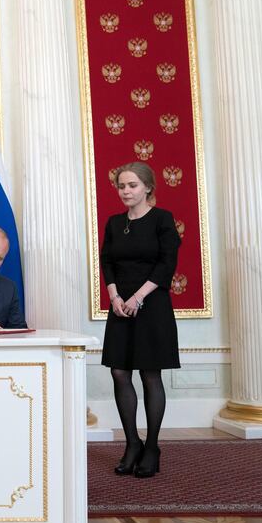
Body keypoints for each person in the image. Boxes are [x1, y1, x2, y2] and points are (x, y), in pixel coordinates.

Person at [101, 161, 180, 478]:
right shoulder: (114, 222)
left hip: (152, 304)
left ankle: (152, 447)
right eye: (121, 186)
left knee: (150, 374)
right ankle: (132, 443)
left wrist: (138, 297)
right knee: (120, 372)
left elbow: (166, 264)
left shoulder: (162, 219)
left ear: (148, 187)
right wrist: (115, 297)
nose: (125, 191)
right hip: (120, 305)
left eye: (132, 185)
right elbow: (107, 261)